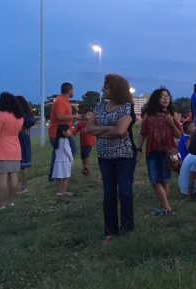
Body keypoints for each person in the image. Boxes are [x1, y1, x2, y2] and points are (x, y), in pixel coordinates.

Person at [87, 74, 137, 244]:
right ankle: (110, 231)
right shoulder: (99, 106)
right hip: (104, 157)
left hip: (124, 157)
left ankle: (128, 227)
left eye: (106, 86)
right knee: (108, 194)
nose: (103, 89)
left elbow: (121, 131)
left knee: (124, 192)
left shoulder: (126, 107)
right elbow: (89, 129)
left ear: (115, 88)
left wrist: (100, 129)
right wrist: (110, 128)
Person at [135, 88, 182, 216]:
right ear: (156, 98)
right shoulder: (148, 115)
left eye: (168, 96)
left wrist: (171, 123)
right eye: (162, 96)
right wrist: (138, 150)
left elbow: (179, 135)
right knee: (155, 180)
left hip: (168, 152)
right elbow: (142, 134)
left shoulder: (173, 114)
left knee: (165, 180)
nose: (166, 98)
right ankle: (166, 208)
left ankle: (164, 209)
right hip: (152, 151)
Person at [0, 92, 24, 210]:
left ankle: (1, 204)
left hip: (1, 149)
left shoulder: (0, 115)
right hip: (15, 148)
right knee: (13, 175)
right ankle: (11, 201)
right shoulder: (19, 117)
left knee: (2, 177)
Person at [48, 82, 78, 181]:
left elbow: (65, 118)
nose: (73, 92)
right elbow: (60, 116)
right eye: (72, 90)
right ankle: (59, 174)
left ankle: (56, 175)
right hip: (57, 133)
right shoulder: (60, 101)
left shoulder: (65, 101)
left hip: (65, 132)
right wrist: (76, 116)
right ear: (69, 90)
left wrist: (72, 129)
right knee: (71, 150)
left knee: (57, 154)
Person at [15, 95, 35, 193]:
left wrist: (22, 128)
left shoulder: (22, 115)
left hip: (21, 139)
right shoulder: (23, 114)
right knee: (21, 165)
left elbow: (31, 121)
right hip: (22, 139)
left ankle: (24, 187)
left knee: (23, 164)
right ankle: (22, 186)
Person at [52, 124, 74, 196]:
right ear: (64, 132)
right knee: (65, 177)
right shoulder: (65, 140)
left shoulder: (57, 140)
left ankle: (59, 192)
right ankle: (64, 191)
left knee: (59, 178)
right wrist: (71, 159)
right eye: (68, 130)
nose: (70, 131)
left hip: (58, 162)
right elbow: (68, 151)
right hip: (65, 162)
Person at [73, 108, 96, 176]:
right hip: (82, 143)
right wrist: (71, 132)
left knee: (86, 155)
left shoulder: (92, 123)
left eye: (91, 115)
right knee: (83, 157)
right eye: (88, 114)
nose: (90, 116)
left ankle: (87, 167)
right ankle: (84, 169)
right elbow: (75, 131)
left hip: (90, 142)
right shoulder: (80, 124)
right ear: (84, 115)